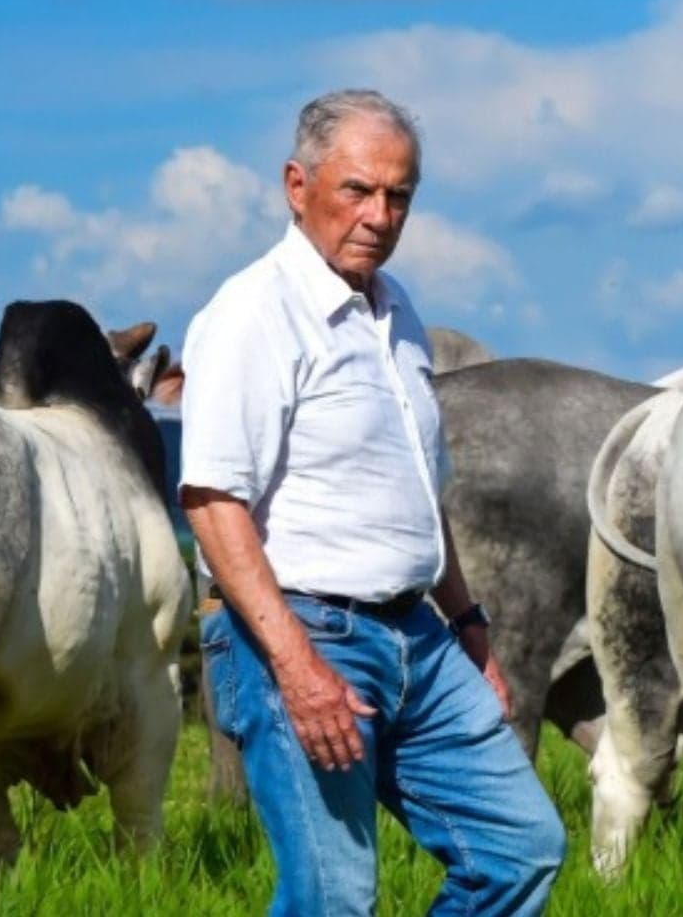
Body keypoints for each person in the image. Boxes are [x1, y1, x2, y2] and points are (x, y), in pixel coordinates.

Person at [180, 90, 566, 916]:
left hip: (419, 639)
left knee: (520, 849)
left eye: (399, 195)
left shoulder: (396, 313)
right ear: (297, 185)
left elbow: (420, 490)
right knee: (332, 897)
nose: (380, 214)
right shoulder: (255, 313)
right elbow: (213, 501)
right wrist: (297, 667)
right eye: (357, 190)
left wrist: (468, 626)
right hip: (308, 633)